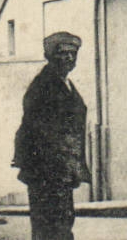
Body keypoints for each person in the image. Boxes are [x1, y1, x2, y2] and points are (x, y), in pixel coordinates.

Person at [12, 31, 91, 240]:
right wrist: (62, 168)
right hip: (47, 172)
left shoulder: (64, 83)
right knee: (52, 225)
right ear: (51, 56)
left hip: (59, 171)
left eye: (73, 53)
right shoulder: (44, 86)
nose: (69, 58)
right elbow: (41, 133)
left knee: (61, 222)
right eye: (63, 53)